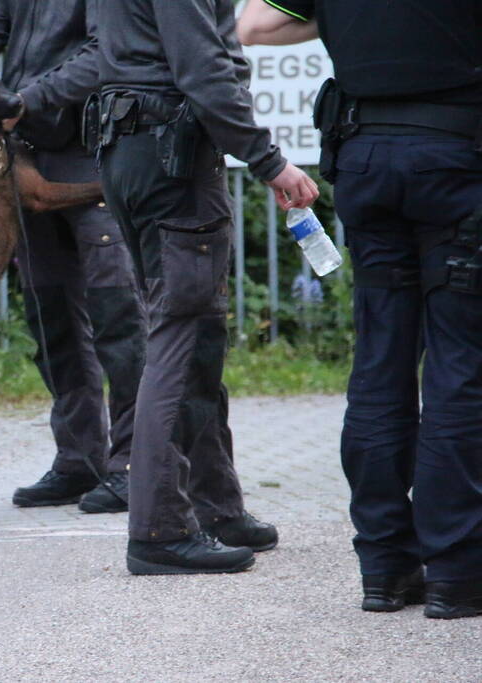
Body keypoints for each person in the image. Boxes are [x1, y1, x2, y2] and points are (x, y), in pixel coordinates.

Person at [239, 0, 482, 618]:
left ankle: (384, 568)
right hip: (457, 158)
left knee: (380, 364)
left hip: (365, 157)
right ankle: (456, 572)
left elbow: (253, 24)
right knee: (460, 368)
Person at [93, 0, 318, 574]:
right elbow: (202, 70)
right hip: (172, 156)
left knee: (197, 339)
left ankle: (216, 508)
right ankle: (158, 530)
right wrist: (271, 163)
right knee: (180, 336)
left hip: (127, 146)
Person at [0, 0, 147, 514]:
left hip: (94, 149)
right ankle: (78, 460)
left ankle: (132, 465)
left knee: (118, 317)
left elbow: (106, 52)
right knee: (51, 319)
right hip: (25, 155)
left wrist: (26, 98)